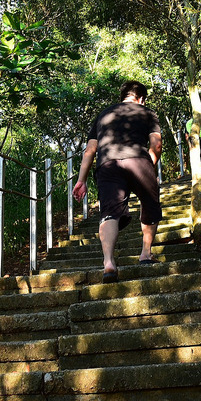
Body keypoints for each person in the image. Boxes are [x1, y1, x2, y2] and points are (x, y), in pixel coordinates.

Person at [73, 81, 163, 281]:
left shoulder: (103, 115)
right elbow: (156, 145)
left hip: (107, 165)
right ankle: (146, 254)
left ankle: (108, 264)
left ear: (122, 96)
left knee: (109, 213)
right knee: (149, 203)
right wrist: (149, 167)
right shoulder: (147, 112)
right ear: (141, 98)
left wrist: (82, 180)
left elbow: (90, 150)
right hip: (138, 160)